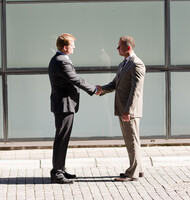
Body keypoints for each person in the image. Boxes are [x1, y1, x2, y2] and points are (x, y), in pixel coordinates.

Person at [48, 33, 100, 184]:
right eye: (72, 45)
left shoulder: (58, 59)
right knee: (62, 138)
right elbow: (76, 79)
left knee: (63, 138)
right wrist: (94, 89)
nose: (74, 47)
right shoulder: (61, 61)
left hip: (64, 104)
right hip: (64, 105)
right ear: (65, 47)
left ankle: (60, 169)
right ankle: (57, 173)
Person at [97, 36, 146, 182]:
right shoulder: (123, 64)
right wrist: (101, 90)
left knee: (132, 140)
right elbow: (115, 84)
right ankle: (138, 169)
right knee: (131, 140)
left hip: (128, 110)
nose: (117, 48)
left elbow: (136, 89)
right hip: (122, 109)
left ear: (128, 48)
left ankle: (133, 173)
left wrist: (129, 110)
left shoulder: (137, 64)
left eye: (119, 46)